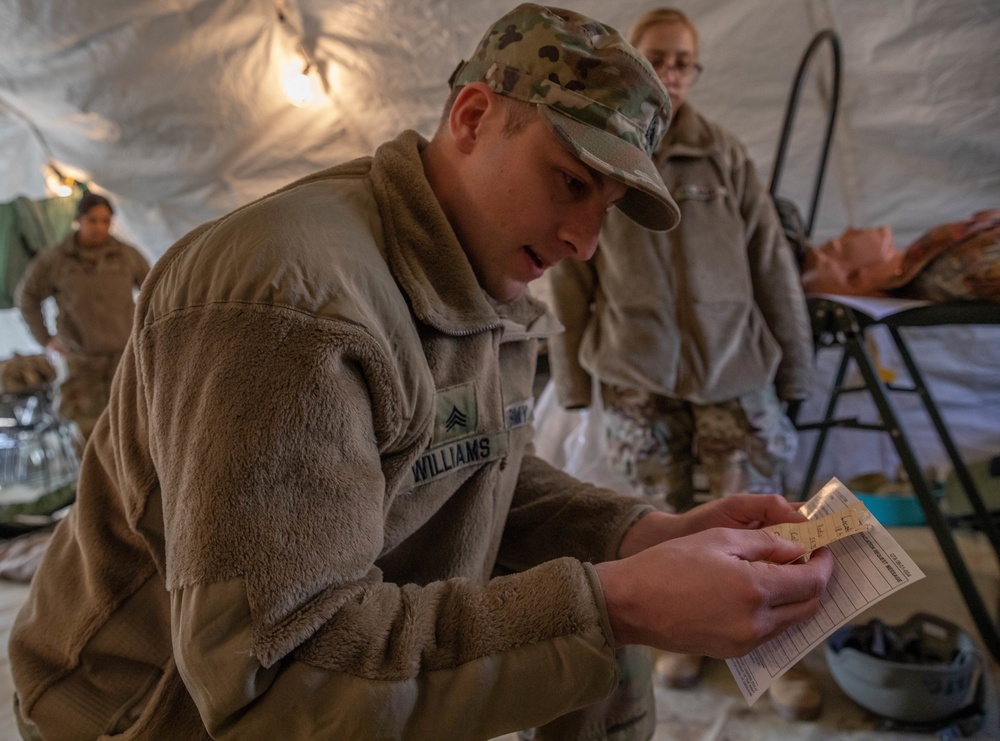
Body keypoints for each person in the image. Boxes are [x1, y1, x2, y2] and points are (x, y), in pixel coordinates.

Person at [9, 5, 832, 740]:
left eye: (606, 206)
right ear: (472, 116)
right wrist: (619, 601)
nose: (585, 239)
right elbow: (282, 680)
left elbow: (469, 469)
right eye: (572, 181)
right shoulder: (292, 307)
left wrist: (638, 537)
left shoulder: (483, 277)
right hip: (151, 715)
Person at [546, 7, 818, 720]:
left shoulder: (724, 154)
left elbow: (772, 265)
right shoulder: (602, 153)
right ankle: (690, 639)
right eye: (658, 58)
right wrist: (572, 379)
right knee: (666, 520)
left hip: (737, 370)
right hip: (637, 374)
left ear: (697, 69)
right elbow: (569, 274)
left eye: (683, 62)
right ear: (634, 61)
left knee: (762, 523)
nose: (670, 74)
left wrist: (797, 369)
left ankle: (772, 649)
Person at [14, 191, 150, 442]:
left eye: (105, 221)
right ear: (78, 220)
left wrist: (146, 332)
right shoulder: (56, 259)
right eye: (92, 220)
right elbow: (28, 297)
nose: (99, 227)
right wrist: (46, 339)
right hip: (81, 362)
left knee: (133, 427)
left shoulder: (126, 255)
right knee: (89, 434)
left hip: (123, 358)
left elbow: (154, 288)